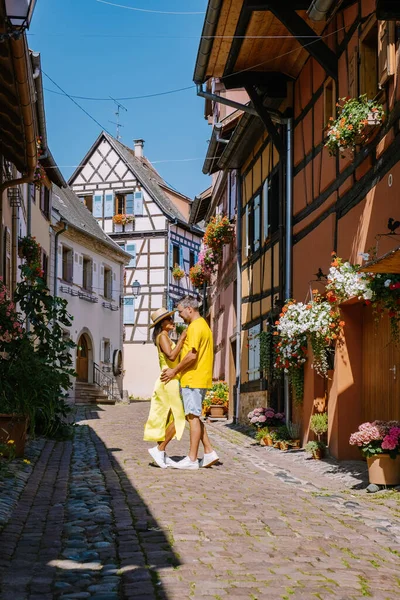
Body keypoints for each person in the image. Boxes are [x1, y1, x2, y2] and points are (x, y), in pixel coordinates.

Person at [160, 296, 219, 470]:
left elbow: (192, 356)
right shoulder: (204, 326)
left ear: (189, 309)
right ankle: (208, 452)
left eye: (180, 311)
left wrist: (174, 371)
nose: (179, 315)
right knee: (192, 415)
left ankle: (192, 458)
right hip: (200, 376)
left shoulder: (194, 327)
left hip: (193, 377)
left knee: (192, 417)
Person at [144, 307, 187, 469]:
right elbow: (171, 356)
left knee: (168, 418)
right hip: (168, 380)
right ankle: (159, 449)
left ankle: (161, 452)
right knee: (178, 417)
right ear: (162, 324)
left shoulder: (165, 336)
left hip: (171, 379)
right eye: (169, 319)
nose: (172, 321)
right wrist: (182, 339)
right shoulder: (162, 337)